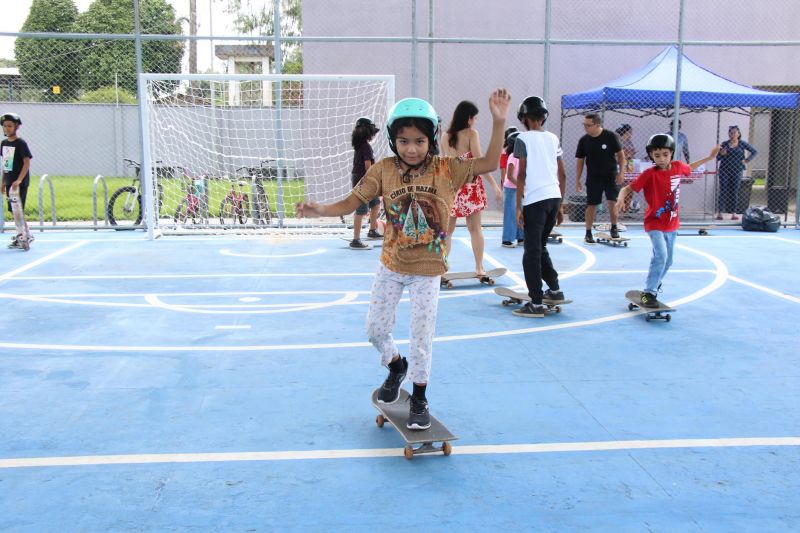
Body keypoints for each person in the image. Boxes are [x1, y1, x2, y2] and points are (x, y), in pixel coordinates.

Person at [296, 89, 511, 429]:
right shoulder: (383, 170)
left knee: (421, 336)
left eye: (420, 141)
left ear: (432, 140)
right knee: (375, 329)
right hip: (392, 265)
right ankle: (396, 365)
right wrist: (320, 209)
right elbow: (353, 201)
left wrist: (499, 122)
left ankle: (420, 397)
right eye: (404, 140)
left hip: (428, 269)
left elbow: (485, 163)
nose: (412, 148)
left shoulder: (446, 169)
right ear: (394, 141)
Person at [617, 134, 719, 308]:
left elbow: (690, 167)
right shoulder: (649, 174)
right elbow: (628, 188)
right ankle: (648, 293)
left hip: (671, 224)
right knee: (661, 256)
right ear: (651, 156)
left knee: (668, 261)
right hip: (654, 222)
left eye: (665, 154)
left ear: (671, 153)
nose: (662, 159)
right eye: (657, 156)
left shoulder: (678, 167)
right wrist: (620, 198)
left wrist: (709, 157)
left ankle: (654, 287)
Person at [512, 96, 567, 318]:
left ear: (524, 118)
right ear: (544, 116)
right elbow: (561, 174)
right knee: (541, 245)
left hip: (535, 200)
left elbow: (522, 174)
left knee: (531, 252)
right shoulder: (553, 139)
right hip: (553, 197)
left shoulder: (522, 138)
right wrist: (561, 204)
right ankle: (554, 289)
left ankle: (536, 302)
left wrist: (518, 207)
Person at [441, 100, 503, 275]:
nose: (475, 121)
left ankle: (442, 267)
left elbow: (445, 162)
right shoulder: (471, 134)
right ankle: (479, 267)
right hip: (470, 187)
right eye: (474, 117)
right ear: (469, 118)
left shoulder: (445, 136)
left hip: (451, 187)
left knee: (448, 231)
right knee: (475, 229)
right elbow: (479, 162)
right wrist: (494, 185)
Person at [575, 113, 626, 243]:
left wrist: (621, 174)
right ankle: (588, 232)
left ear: (597, 125)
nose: (585, 127)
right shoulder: (584, 140)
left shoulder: (610, 137)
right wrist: (578, 179)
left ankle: (614, 227)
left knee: (612, 202)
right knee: (592, 205)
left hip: (610, 176)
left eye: (588, 125)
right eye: (584, 125)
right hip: (593, 177)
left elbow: (621, 157)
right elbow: (580, 161)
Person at [1, 112, 33, 249]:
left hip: (19, 183)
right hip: (9, 181)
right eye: (4, 126)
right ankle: (26, 234)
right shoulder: (4, 143)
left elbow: (26, 163)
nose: (7, 128)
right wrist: (3, 182)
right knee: (13, 210)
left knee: (18, 210)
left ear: (16, 127)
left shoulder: (21, 143)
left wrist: (19, 180)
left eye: (10, 126)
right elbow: (6, 164)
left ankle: (22, 236)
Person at [349, 117, 382, 249]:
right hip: (364, 182)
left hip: (360, 179)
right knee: (361, 210)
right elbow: (368, 167)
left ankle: (372, 230)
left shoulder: (359, 145)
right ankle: (356, 240)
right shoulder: (366, 147)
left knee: (375, 204)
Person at [716, 125, 758, 221]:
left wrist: (747, 160)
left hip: (737, 170)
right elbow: (718, 158)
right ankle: (720, 213)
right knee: (723, 190)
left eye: (734, 133)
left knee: (735, 191)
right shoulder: (724, 144)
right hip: (725, 170)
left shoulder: (742, 144)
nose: (732, 135)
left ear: (738, 134)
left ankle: (734, 213)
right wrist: (722, 154)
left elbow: (754, 151)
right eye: (730, 133)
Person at [501, 129, 525, 247]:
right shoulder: (512, 156)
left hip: (518, 188)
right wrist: (520, 185)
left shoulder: (522, 157)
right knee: (511, 213)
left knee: (520, 211)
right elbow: (510, 176)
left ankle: (521, 237)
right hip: (511, 189)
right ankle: (507, 239)